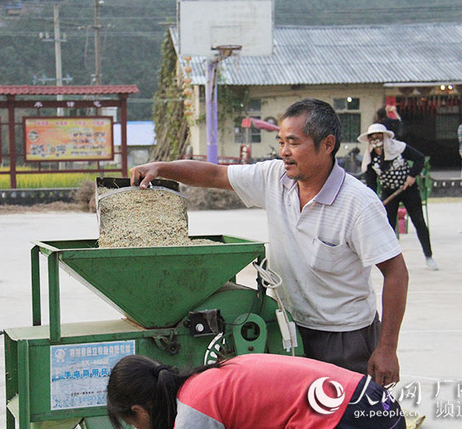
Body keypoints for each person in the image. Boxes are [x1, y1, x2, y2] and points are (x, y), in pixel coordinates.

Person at [131, 99, 408, 387]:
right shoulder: (275, 178)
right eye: (281, 142)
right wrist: (161, 168)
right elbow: (216, 174)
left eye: (293, 142)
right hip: (288, 327)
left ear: (327, 144)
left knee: (342, 414)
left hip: (344, 338)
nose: (284, 152)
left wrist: (387, 348)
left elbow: (396, 272)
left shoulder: (358, 204)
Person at [106, 353, 406, 429]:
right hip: (374, 403)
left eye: (134, 425)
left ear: (139, 412)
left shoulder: (194, 411)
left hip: (351, 419)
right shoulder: (211, 377)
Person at [359, 123, 438, 271]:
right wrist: (374, 200)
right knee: (388, 226)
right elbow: (371, 183)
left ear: (385, 137)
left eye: (378, 136)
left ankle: (429, 256)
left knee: (419, 222)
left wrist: (412, 175)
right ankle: (389, 260)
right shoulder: (371, 158)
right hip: (389, 192)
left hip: (408, 190)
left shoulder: (399, 148)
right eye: (373, 138)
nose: (376, 140)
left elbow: (419, 158)